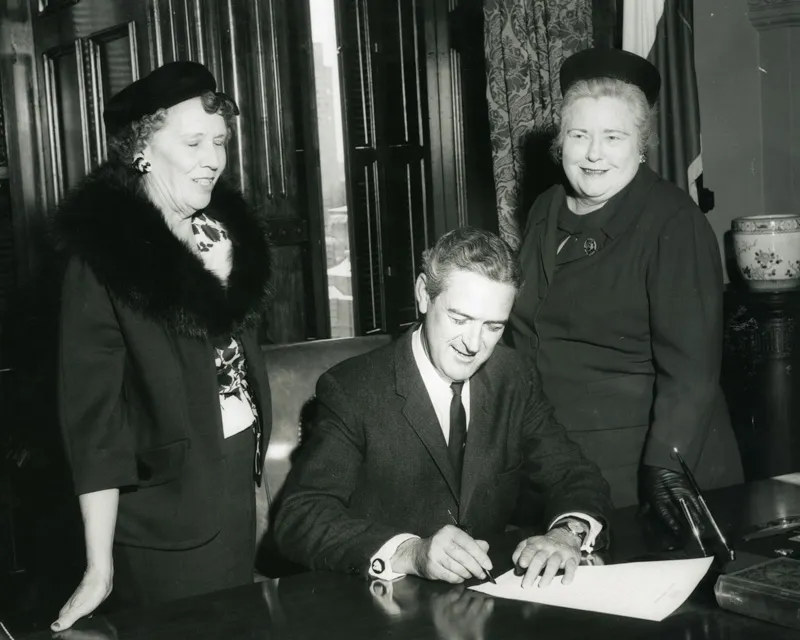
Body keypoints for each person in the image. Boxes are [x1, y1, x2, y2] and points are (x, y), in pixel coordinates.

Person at [50, 61, 272, 630]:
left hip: (237, 497)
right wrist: (99, 568)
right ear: (142, 149)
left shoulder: (224, 235)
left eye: (219, 141)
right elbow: (94, 425)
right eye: (193, 141)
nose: (213, 158)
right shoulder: (103, 259)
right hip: (165, 523)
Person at [274, 228, 612, 589]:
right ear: (423, 294)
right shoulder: (353, 389)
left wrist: (566, 533)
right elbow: (299, 517)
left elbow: (572, 473)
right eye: (459, 319)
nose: (473, 344)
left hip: (485, 603)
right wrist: (410, 552)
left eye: (493, 326)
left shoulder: (513, 376)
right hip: (384, 605)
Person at [506, 48, 743, 532]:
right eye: (579, 135)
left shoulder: (673, 221)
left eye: (613, 137)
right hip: (555, 462)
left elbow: (692, 369)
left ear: (642, 145)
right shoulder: (545, 209)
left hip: (639, 471)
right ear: (561, 144)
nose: (594, 154)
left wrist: (667, 463)